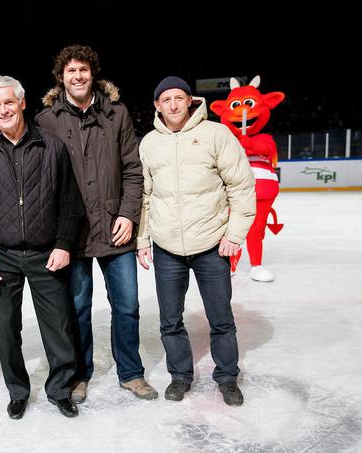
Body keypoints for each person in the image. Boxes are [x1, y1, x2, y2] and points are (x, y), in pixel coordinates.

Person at [35, 44, 156, 403]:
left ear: (93, 73)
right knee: (77, 307)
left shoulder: (116, 114)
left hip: (115, 229)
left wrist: (128, 214)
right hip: (71, 234)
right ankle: (80, 374)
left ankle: (131, 373)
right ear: (61, 77)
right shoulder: (47, 121)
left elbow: (134, 170)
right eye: (71, 71)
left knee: (128, 305)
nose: (78, 76)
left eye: (83, 70)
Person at [0, 75, 84, 420]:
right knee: (7, 329)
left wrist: (63, 245)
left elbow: (70, 203)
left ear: (22, 103)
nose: (3, 109)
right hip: (2, 256)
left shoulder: (51, 145)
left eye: (8, 102)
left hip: (47, 254)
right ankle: (18, 391)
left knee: (58, 326)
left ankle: (60, 389)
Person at [136, 76, 256, 406]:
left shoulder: (216, 134)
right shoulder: (149, 144)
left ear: (190, 101)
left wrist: (234, 234)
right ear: (157, 105)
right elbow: (144, 196)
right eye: (166, 99)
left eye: (179, 98)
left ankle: (227, 376)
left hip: (211, 245)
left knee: (220, 317)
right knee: (170, 319)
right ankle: (180, 375)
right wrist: (142, 239)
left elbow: (242, 186)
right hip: (166, 247)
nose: (173, 104)